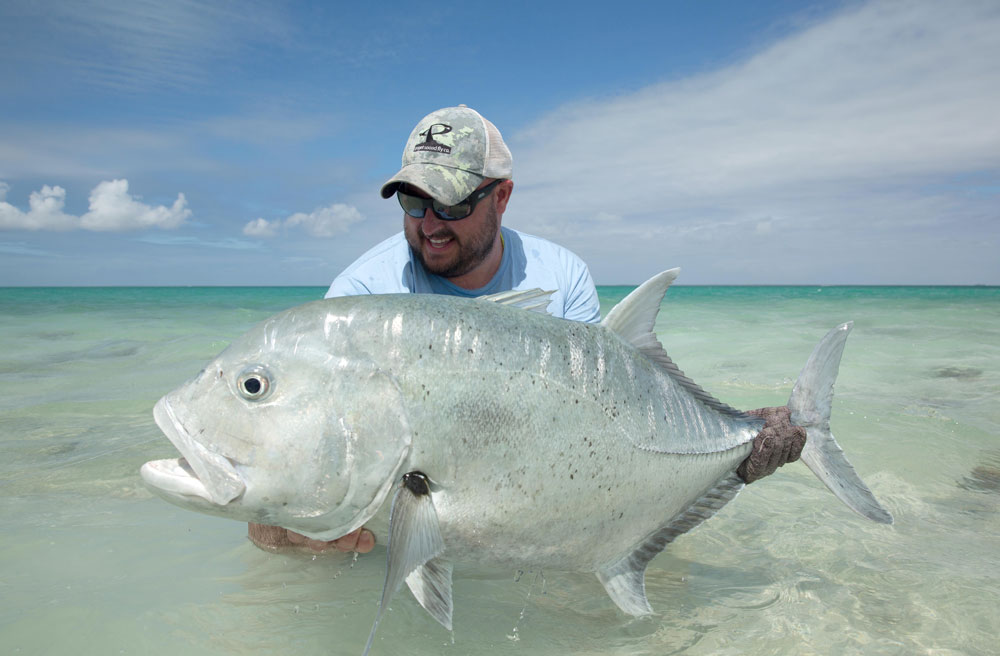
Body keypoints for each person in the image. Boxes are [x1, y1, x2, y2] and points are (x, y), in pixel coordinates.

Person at [247, 106, 805, 554]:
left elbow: (611, 419)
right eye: (415, 202)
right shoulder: (361, 300)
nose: (431, 225)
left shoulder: (561, 277)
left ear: (502, 196)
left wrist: (731, 443)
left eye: (452, 201)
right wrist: (282, 526)